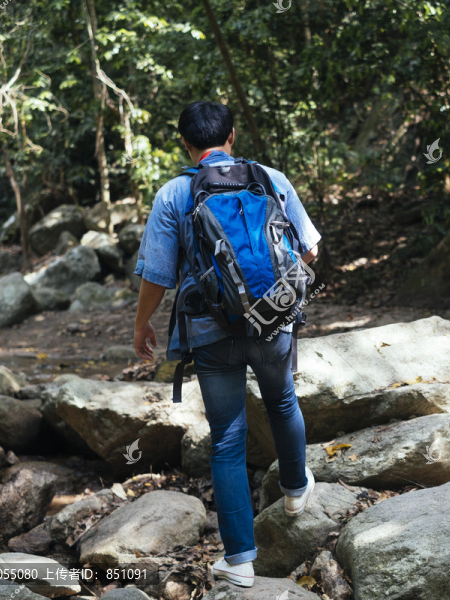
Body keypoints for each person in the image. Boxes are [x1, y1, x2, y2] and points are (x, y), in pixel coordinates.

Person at [131, 100, 322, 588]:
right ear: (232, 136)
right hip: (273, 323)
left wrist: (141, 325)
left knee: (228, 438)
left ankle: (239, 559)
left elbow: (156, 273)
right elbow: (310, 247)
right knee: (282, 400)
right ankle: (297, 490)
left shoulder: (176, 193)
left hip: (211, 332)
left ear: (185, 144)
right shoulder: (269, 178)